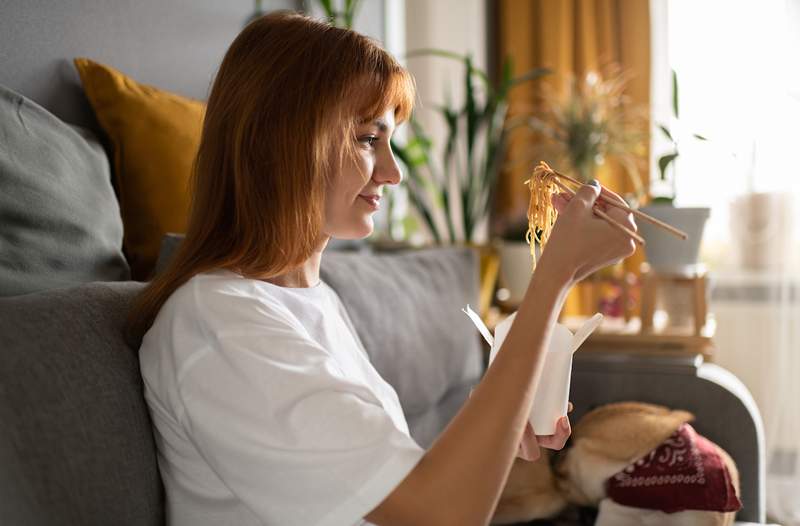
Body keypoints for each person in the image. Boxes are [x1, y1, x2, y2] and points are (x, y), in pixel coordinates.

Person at [128, 11, 637, 526]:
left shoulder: (312, 302)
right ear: (283, 141)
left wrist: (502, 411)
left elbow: (397, 488)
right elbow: (437, 515)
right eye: (369, 139)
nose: (393, 173)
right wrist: (553, 277)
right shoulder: (217, 324)